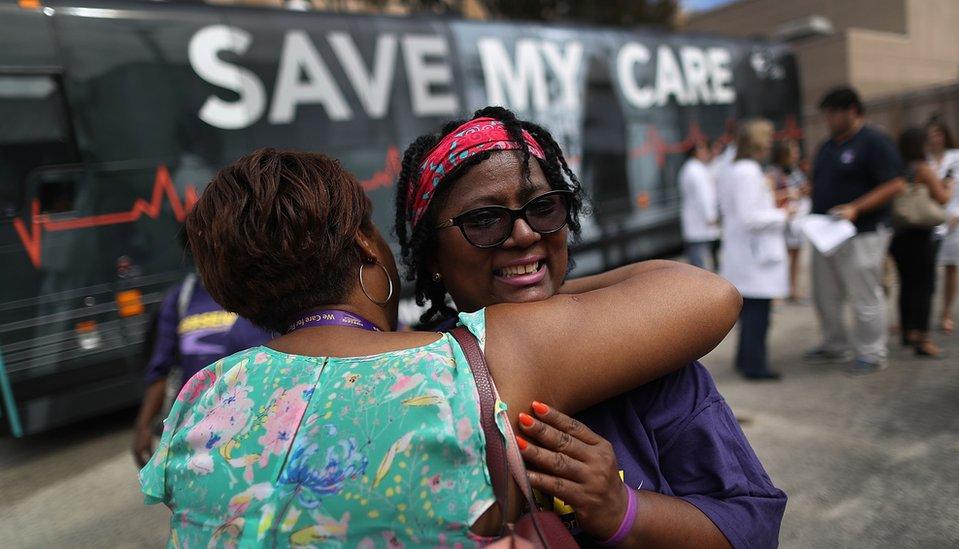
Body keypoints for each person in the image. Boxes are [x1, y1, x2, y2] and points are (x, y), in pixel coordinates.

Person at [140, 149, 741, 547]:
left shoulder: (203, 396)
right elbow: (704, 293)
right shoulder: (458, 366)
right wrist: (509, 302)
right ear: (366, 248)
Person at [394, 107, 786, 548]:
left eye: (543, 207)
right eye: (483, 220)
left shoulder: (648, 356)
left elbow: (753, 526)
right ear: (431, 255)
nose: (523, 234)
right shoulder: (411, 379)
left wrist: (623, 511)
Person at [805, 86, 907, 374]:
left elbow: (895, 183)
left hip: (862, 232)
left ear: (852, 110)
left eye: (834, 113)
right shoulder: (828, 146)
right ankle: (834, 344)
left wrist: (857, 207)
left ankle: (872, 352)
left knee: (864, 294)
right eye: (827, 114)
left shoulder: (873, 141)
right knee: (825, 293)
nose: (829, 119)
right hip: (825, 232)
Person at [132, 271, 271, 467]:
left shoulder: (261, 288)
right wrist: (143, 426)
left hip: (251, 425)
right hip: (196, 430)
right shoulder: (182, 297)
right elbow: (161, 367)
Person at [718, 120, 792, 380]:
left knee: (752, 314)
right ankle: (754, 366)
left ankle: (746, 361)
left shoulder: (735, 168)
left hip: (747, 253)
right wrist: (784, 214)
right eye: (768, 137)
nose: (771, 142)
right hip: (753, 255)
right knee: (757, 316)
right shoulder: (747, 171)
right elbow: (750, 217)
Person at [890, 128, 952, 357]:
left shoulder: (897, 168)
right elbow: (942, 198)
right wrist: (949, 186)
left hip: (899, 235)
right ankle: (923, 337)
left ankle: (908, 331)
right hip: (920, 235)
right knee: (924, 286)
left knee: (906, 285)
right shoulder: (922, 169)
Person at [926, 120, 959, 334]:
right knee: (925, 271)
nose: (934, 138)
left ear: (945, 135)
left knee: (951, 267)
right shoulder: (923, 161)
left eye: (938, 133)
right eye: (930, 134)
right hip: (929, 221)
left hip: (956, 222)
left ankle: (946, 312)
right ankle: (920, 315)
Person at [767, 139, 809, 301]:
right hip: (782, 220)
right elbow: (768, 197)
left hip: (797, 219)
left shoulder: (795, 171)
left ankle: (792, 289)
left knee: (796, 255)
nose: (797, 155)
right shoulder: (773, 172)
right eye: (793, 152)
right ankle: (777, 291)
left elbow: (801, 189)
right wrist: (788, 194)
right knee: (782, 257)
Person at [679, 138, 721, 271]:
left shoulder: (690, 168)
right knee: (700, 264)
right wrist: (711, 216)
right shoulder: (696, 170)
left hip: (695, 222)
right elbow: (705, 197)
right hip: (700, 222)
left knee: (697, 259)